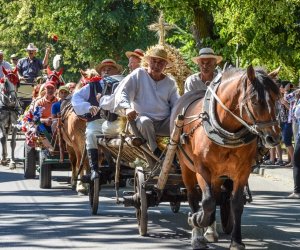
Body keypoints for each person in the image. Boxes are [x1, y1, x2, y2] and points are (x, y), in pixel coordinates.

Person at [115, 46, 179, 156]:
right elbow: (123, 92)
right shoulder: (139, 74)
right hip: (140, 121)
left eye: (161, 63)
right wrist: (127, 108)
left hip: (163, 122)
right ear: (148, 61)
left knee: (181, 124)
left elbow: (177, 104)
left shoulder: (170, 83)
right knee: (146, 122)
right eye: (154, 61)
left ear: (165, 66)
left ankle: (179, 154)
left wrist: (181, 116)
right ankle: (156, 151)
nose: (157, 65)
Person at [72, 60, 122, 180]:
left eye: (110, 68)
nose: (106, 70)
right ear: (100, 72)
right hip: (97, 121)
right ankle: (94, 169)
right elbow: (76, 97)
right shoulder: (92, 86)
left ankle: (125, 164)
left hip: (118, 122)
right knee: (90, 134)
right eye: (104, 68)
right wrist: (88, 107)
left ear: (117, 71)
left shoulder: (122, 84)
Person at [287, 91, 300, 199]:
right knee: (296, 160)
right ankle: (297, 191)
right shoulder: (297, 99)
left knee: (296, 160)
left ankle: (297, 191)